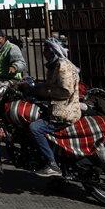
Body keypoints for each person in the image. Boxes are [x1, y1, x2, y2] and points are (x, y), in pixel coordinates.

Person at [19, 38, 81, 177]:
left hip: (64, 112)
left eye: (47, 49)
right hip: (57, 108)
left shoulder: (63, 66)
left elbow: (65, 91)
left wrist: (41, 92)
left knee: (35, 128)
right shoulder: (55, 65)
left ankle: (52, 164)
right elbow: (51, 86)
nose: (44, 52)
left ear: (53, 51)